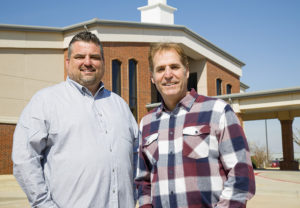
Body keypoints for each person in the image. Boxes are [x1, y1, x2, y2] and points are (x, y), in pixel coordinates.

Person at [12, 31, 138, 208]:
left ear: (102, 62)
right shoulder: (45, 102)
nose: (88, 62)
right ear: (68, 62)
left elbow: (136, 157)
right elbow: (24, 159)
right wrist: (44, 205)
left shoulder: (121, 106)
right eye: (80, 56)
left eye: (94, 57)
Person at [135, 43, 255, 207]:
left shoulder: (218, 111)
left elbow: (241, 175)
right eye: (161, 69)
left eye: (174, 67)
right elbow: (143, 182)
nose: (168, 74)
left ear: (186, 71)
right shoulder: (146, 124)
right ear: (152, 77)